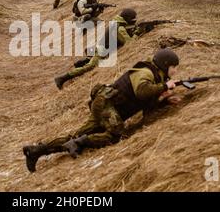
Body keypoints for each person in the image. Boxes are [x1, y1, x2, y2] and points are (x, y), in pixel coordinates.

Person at [23, 48, 182, 173]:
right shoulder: (145, 72)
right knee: (114, 135)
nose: (175, 71)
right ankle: (81, 142)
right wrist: (164, 87)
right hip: (106, 104)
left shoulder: (155, 77)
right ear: (165, 64)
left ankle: (36, 151)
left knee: (75, 136)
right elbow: (142, 91)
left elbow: (146, 106)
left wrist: (165, 100)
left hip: (105, 104)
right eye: (174, 67)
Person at [54, 8, 139, 90]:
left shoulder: (116, 23)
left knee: (92, 61)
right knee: (90, 67)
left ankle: (84, 61)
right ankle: (62, 78)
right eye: (132, 19)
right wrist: (136, 34)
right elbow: (130, 43)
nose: (134, 21)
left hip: (102, 48)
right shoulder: (119, 28)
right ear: (127, 18)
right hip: (101, 51)